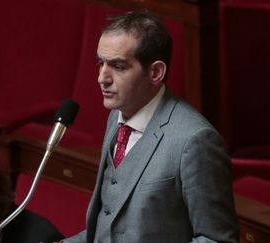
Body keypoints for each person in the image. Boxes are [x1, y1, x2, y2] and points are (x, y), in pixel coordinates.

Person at [63, 10, 239, 243]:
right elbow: (106, 230)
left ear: (156, 72)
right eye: (100, 63)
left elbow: (217, 240)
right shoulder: (117, 116)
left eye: (118, 66)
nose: (102, 78)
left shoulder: (195, 140)